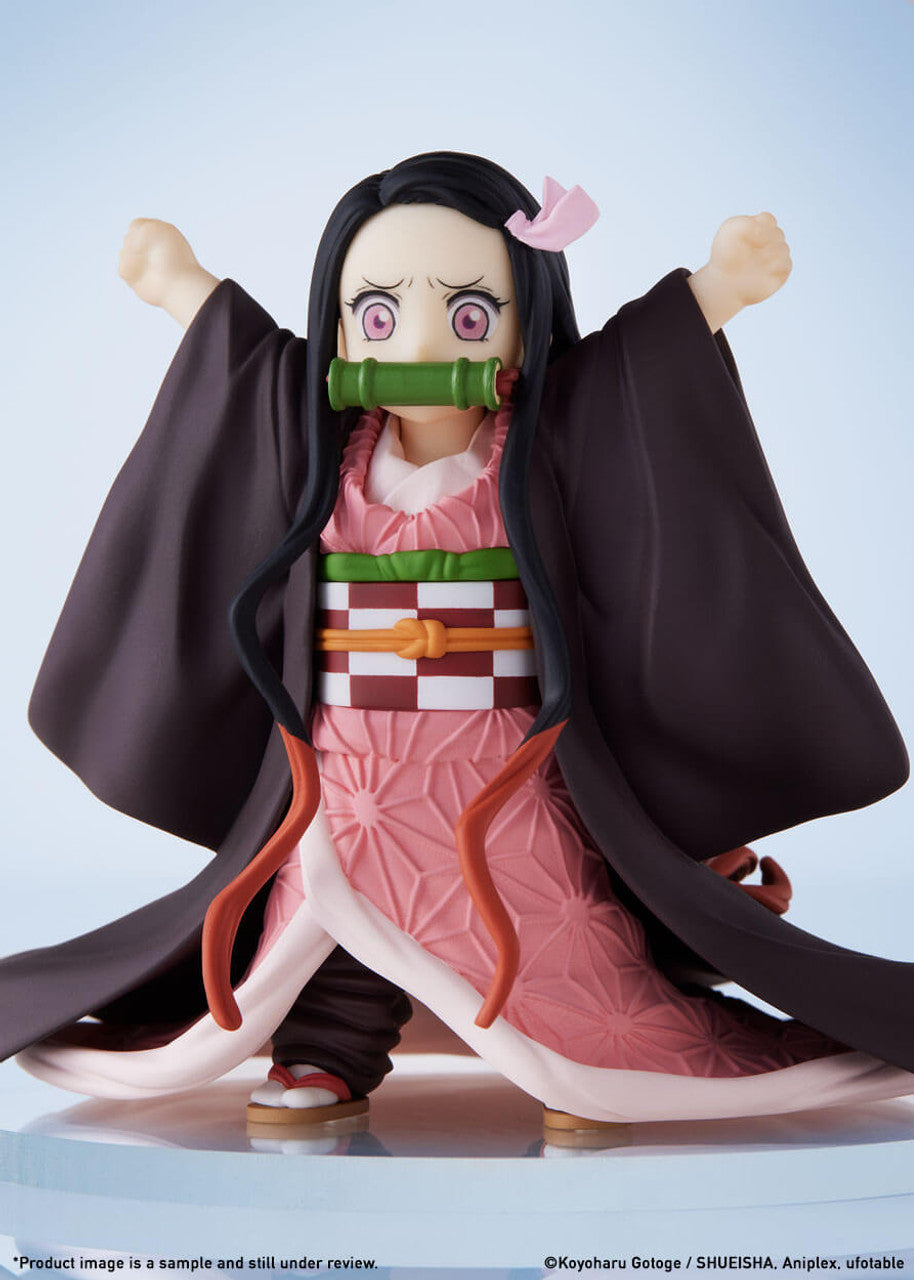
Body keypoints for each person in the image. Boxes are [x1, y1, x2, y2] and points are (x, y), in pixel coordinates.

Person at [4, 152, 912, 1128]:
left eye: (469, 314)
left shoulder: (545, 439)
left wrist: (714, 291)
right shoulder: (319, 442)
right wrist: (183, 288)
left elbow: (630, 377)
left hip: (495, 756)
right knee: (323, 902)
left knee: (531, 909)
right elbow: (250, 366)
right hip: (341, 754)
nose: (419, 341)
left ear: (526, 317)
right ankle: (326, 1049)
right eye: (377, 314)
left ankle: (589, 1059)